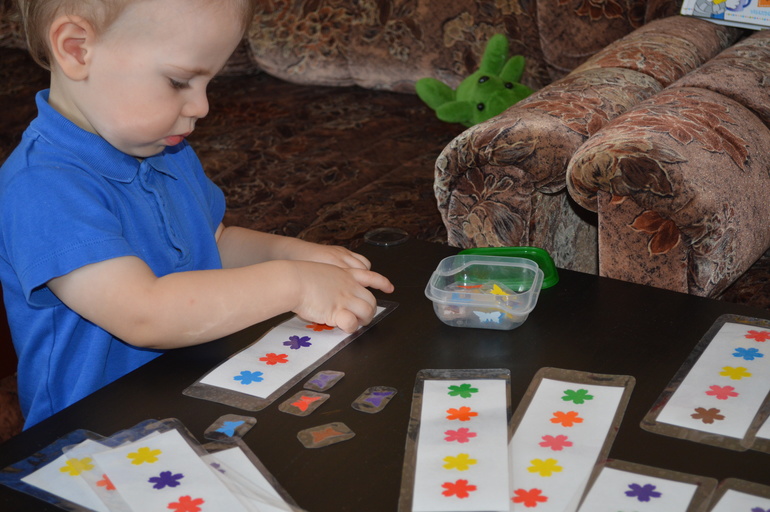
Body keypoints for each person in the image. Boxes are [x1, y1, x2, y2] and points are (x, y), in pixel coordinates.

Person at [0, 0, 394, 428]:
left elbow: (214, 242)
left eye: (209, 83)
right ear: (76, 48)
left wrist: (293, 253)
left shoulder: (166, 150)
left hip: (186, 397)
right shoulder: (42, 188)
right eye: (179, 81)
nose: (202, 107)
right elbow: (143, 313)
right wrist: (293, 283)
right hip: (91, 438)